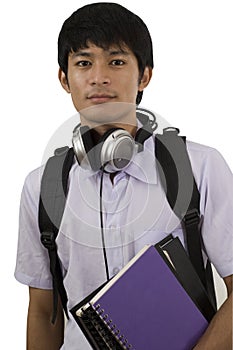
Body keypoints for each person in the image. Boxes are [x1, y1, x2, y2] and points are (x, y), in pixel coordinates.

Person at [14, 2, 232, 349]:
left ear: (144, 74)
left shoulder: (199, 168)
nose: (99, 76)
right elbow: (43, 311)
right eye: (83, 62)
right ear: (64, 78)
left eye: (116, 61)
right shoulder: (42, 186)